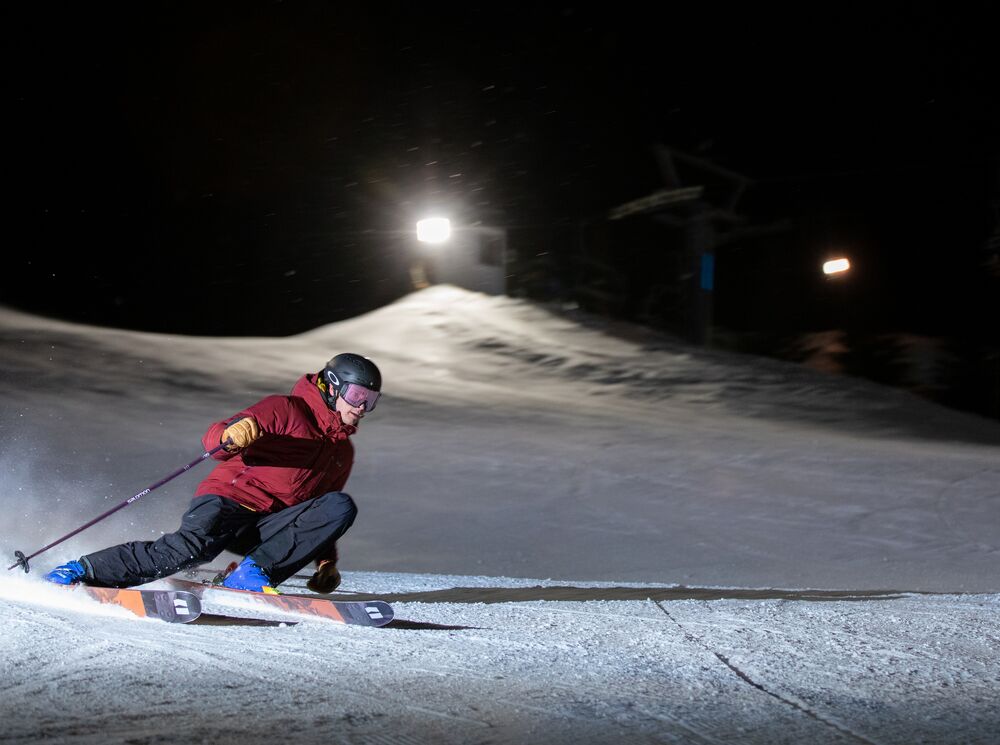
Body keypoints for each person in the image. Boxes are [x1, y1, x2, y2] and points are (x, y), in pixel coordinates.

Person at [43, 353, 382, 594]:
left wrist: (325, 561)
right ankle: (81, 569)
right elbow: (216, 445)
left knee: (340, 505)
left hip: (265, 528)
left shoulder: (342, 452)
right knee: (189, 550)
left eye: (371, 400)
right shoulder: (287, 410)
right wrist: (229, 435)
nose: (361, 407)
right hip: (230, 501)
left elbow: (319, 511)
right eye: (356, 396)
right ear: (332, 387)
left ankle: (251, 573)